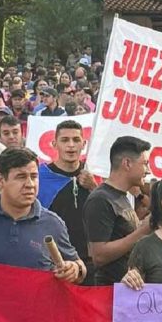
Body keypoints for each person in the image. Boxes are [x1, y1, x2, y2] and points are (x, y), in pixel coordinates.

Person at [0, 148, 85, 283]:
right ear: (1, 180)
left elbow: (78, 268)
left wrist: (75, 269)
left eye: (34, 176)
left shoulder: (53, 223)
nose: (30, 184)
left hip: (36, 305)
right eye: (21, 177)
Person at [84, 136, 152, 285]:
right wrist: (142, 231)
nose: (148, 171)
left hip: (128, 289)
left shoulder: (122, 196)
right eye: (145, 164)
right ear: (127, 163)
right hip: (109, 292)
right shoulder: (100, 200)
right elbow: (99, 255)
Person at [43, 120, 97, 284]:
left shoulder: (95, 175)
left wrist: (94, 187)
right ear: (54, 144)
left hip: (91, 263)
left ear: (84, 144)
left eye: (76, 140)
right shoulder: (40, 177)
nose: (71, 145)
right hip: (56, 263)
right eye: (65, 140)